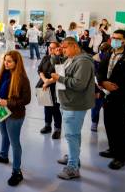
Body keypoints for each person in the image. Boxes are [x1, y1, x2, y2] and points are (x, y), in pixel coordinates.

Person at [51, 37, 95, 180]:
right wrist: (56, 56)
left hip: (75, 104)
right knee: (73, 134)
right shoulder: (71, 58)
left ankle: (73, 168)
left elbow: (79, 84)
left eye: (64, 48)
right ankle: (73, 157)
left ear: (74, 46)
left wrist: (60, 79)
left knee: (71, 135)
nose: (62, 50)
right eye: (61, 48)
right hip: (68, 102)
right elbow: (59, 69)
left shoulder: (83, 61)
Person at [97, 29, 125, 170]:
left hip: (121, 96)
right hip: (107, 94)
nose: (114, 40)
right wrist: (103, 83)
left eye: (118, 38)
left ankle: (120, 156)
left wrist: (112, 86)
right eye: (113, 37)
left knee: (119, 126)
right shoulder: (109, 52)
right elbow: (100, 70)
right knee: (108, 123)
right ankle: (112, 149)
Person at [0, 50, 31, 186]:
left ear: (16, 63)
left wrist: (8, 102)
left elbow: (26, 99)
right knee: (4, 135)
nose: (6, 63)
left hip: (15, 114)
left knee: (15, 142)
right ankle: (3, 156)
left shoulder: (22, 79)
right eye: (5, 60)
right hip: (2, 111)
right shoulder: (4, 73)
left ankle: (17, 172)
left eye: (9, 61)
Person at [37, 42, 63, 139]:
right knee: (47, 107)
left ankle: (57, 129)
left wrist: (48, 82)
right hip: (44, 85)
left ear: (58, 49)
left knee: (55, 108)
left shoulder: (60, 60)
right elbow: (40, 70)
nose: (50, 50)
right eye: (49, 48)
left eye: (53, 48)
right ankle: (47, 125)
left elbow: (60, 75)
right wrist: (45, 80)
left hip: (55, 86)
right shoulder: (45, 58)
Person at [90, 42, 112, 132]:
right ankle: (103, 124)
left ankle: (94, 123)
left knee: (96, 106)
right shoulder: (111, 58)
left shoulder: (94, 58)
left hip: (97, 87)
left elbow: (92, 75)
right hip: (107, 86)